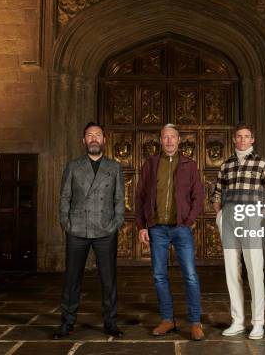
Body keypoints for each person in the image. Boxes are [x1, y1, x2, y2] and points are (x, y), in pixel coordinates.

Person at [54, 122, 125, 339]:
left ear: (105, 140)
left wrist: (116, 224)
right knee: (72, 279)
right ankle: (67, 322)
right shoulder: (73, 166)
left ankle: (110, 322)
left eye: (98, 135)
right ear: (83, 141)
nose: (94, 138)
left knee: (108, 279)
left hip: (105, 230)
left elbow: (119, 199)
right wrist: (66, 223)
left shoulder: (114, 167)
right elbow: (65, 196)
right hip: (77, 229)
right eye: (89, 135)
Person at [211, 123, 265, 340]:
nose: (242, 140)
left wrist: (260, 214)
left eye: (246, 136)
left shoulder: (262, 163)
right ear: (234, 139)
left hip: (250, 217)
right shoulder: (226, 165)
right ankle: (238, 321)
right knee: (232, 272)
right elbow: (217, 193)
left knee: (254, 272)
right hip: (229, 219)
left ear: (253, 140)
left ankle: (258, 323)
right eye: (239, 136)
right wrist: (220, 216)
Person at [135, 123, 205, 341]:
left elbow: (199, 196)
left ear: (178, 140)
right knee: (159, 275)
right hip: (157, 229)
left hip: (180, 228)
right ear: (160, 140)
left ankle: (195, 322)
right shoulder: (151, 164)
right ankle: (167, 319)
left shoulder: (189, 165)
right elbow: (139, 196)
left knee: (191, 276)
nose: (168, 141)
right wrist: (141, 226)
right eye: (165, 137)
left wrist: (189, 220)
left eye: (172, 137)